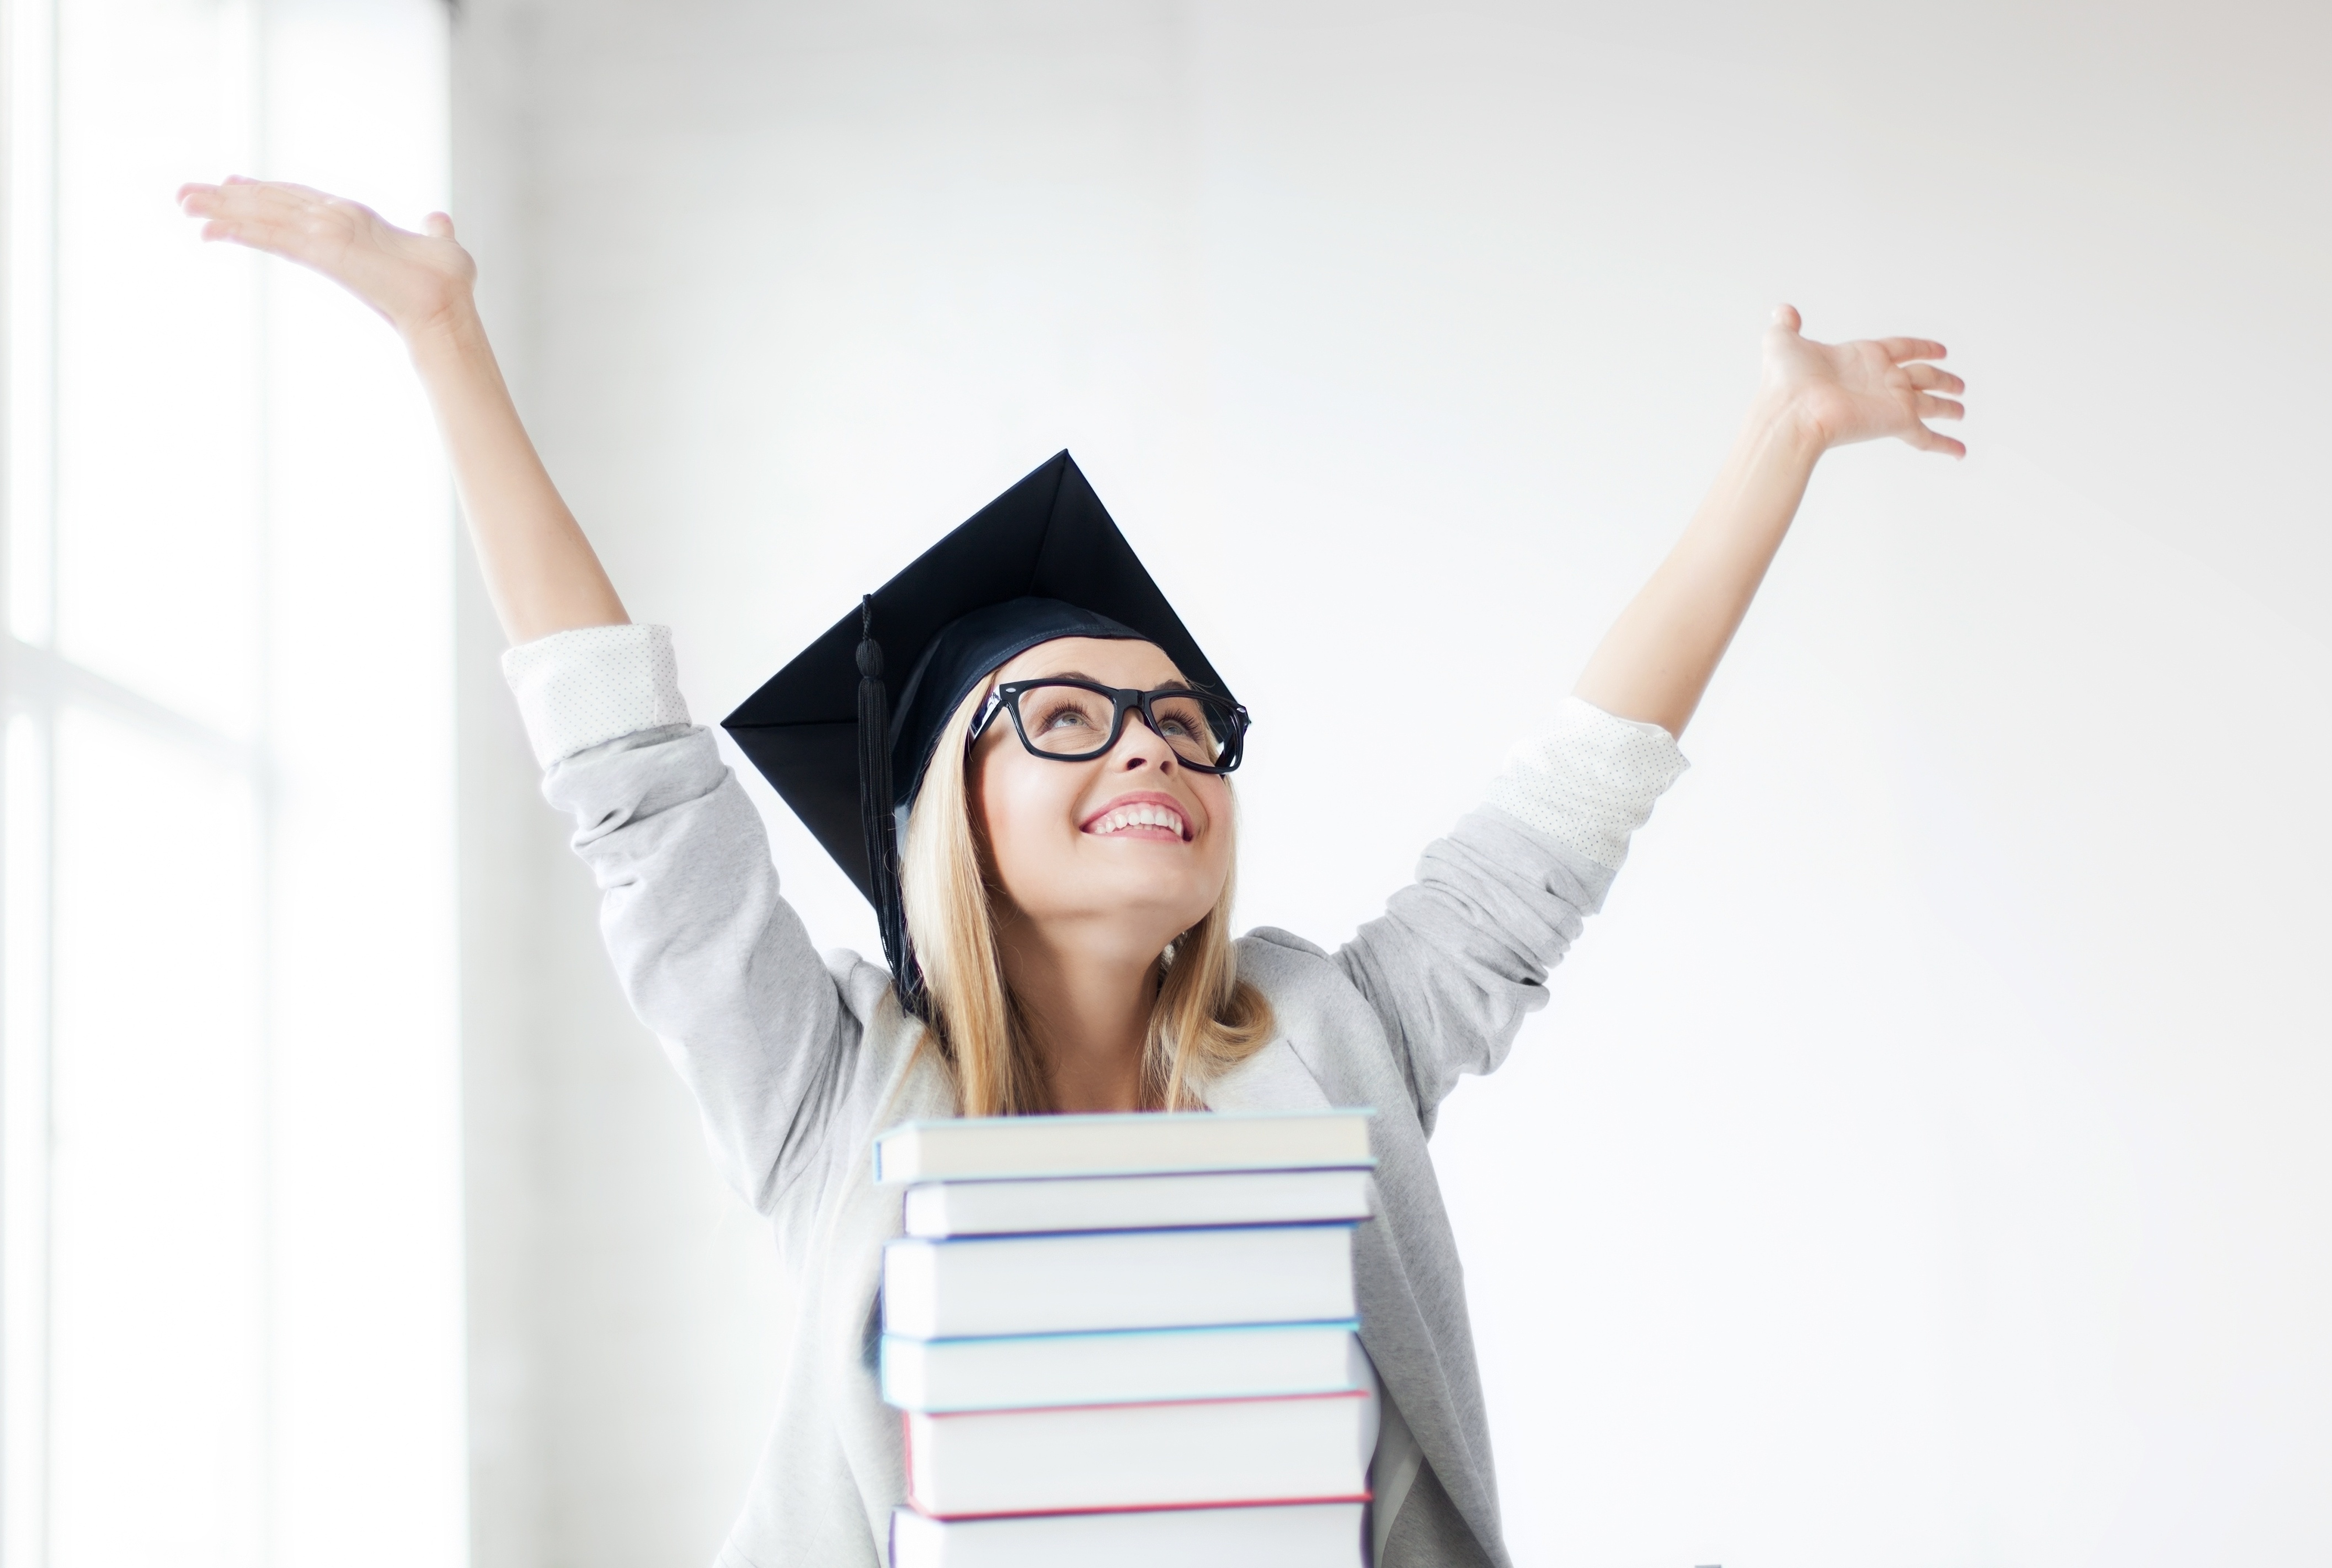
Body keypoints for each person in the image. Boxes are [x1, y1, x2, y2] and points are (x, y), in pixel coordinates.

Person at [177, 177, 1966, 1568]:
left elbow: (1563, 811)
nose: (1151, 750)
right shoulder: (832, 1092)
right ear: (945, 808)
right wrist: (444, 336)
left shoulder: (1333, 1046)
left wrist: (1781, 442)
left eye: (1184, 724)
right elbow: (637, 793)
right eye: (1068, 719)